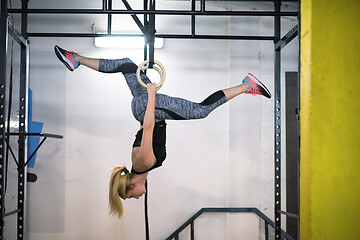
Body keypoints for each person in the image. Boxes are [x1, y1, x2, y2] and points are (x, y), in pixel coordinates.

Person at [54, 45, 271, 218]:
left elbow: (148, 127)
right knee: (127, 65)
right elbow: (143, 129)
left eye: (131, 197)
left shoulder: (143, 163)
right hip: (143, 110)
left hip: (150, 109)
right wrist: (147, 104)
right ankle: (76, 60)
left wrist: (151, 96)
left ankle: (247, 85)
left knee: (201, 110)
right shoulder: (138, 163)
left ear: (131, 186)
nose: (137, 198)